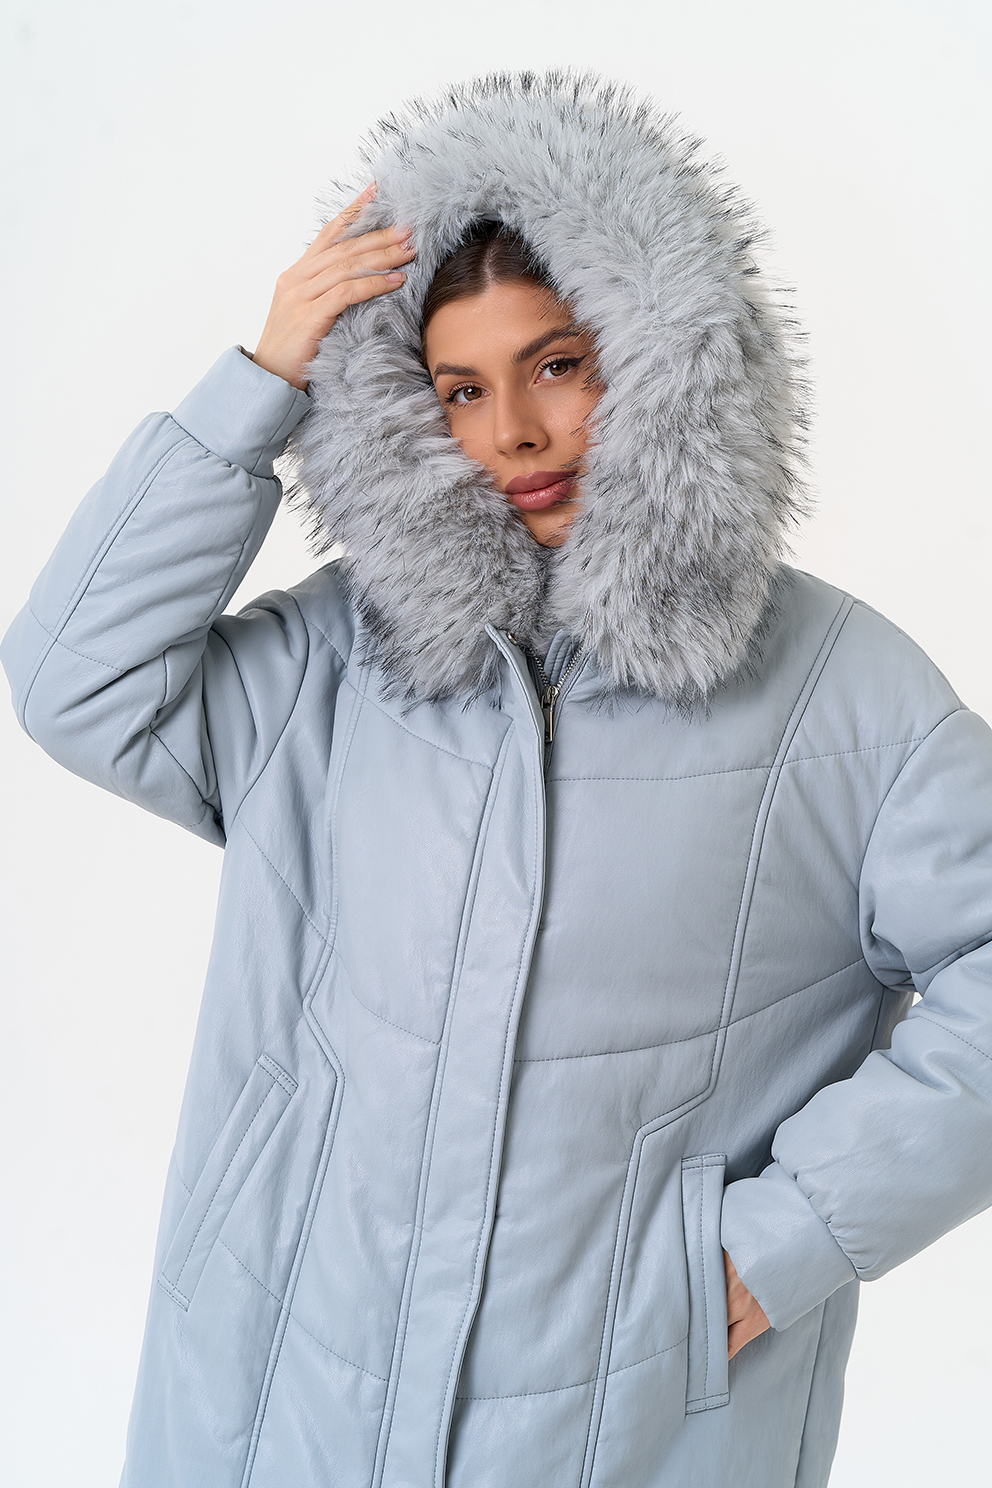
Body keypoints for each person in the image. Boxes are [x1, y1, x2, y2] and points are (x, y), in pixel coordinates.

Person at [4, 70, 992, 1488]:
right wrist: (259, 385)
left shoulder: (843, 696)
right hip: (284, 1379)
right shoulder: (338, 661)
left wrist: (796, 1236)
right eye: (459, 390)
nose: (514, 433)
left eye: (561, 364)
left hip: (621, 1418)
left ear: (666, 357)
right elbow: (74, 683)